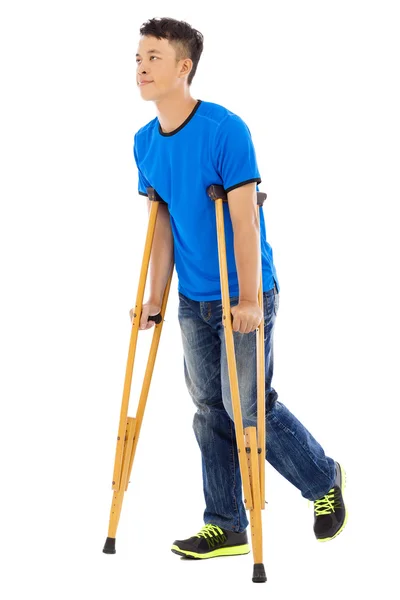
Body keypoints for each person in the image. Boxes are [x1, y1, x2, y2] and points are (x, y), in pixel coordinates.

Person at [131, 16, 347, 559]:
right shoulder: (144, 143)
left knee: (247, 406)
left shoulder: (226, 129)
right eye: (138, 58)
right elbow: (161, 222)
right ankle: (225, 522)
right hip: (193, 297)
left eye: (153, 57)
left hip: (245, 291)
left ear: (184, 67)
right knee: (209, 407)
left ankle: (323, 481)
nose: (140, 67)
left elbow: (245, 220)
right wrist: (155, 295)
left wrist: (251, 298)